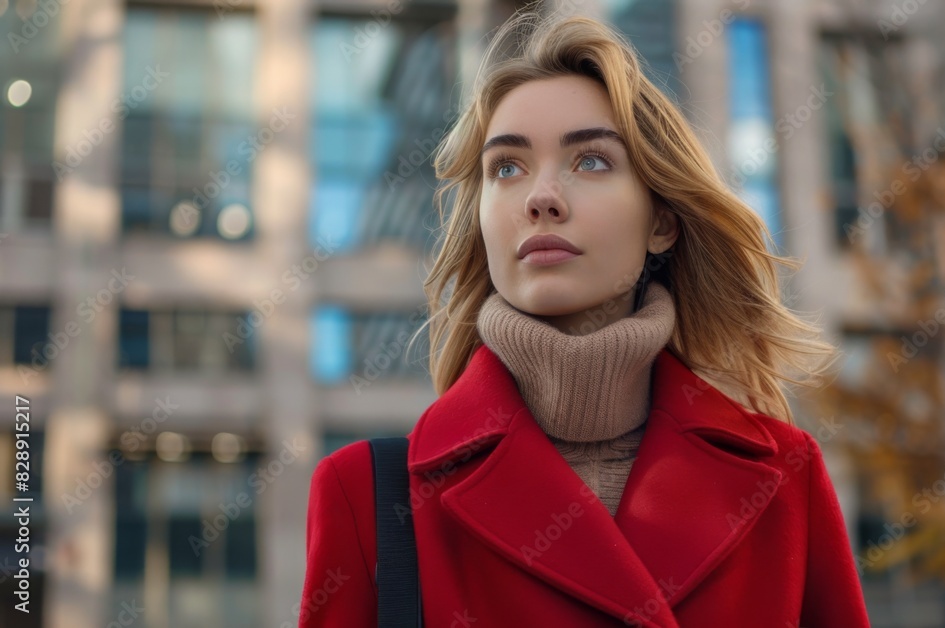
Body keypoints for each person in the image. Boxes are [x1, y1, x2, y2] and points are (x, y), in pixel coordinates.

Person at [298, 9, 871, 627]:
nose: (541, 197)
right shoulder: (368, 498)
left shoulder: (785, 480)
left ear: (661, 221)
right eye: (507, 168)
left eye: (591, 161)